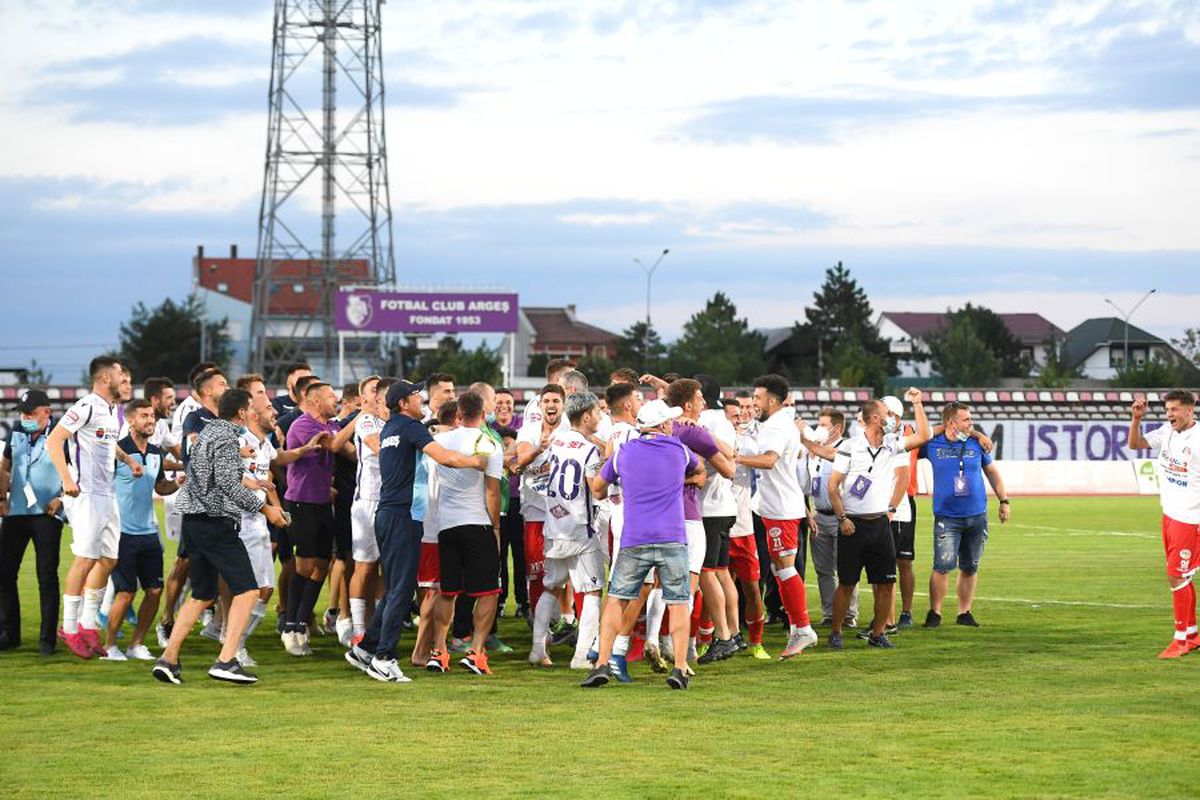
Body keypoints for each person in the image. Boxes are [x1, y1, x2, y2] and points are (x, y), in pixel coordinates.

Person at [343, 380, 489, 684]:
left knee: (396, 586)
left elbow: (433, 435)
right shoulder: (409, 427)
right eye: (414, 395)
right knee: (401, 589)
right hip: (403, 515)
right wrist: (476, 462)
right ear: (402, 403)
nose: (420, 397)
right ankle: (384, 657)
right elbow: (444, 457)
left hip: (387, 513)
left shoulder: (391, 428)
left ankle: (367, 647)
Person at [152, 388, 290, 685]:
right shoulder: (228, 437)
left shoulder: (209, 432)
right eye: (250, 407)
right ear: (241, 413)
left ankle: (168, 658)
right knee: (249, 590)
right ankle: (227, 659)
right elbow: (228, 484)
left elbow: (214, 473)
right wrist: (265, 509)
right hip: (215, 523)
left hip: (194, 522)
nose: (253, 412)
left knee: (202, 594)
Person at [583, 399, 703, 690]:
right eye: (670, 422)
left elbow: (598, 488)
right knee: (677, 602)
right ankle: (679, 667)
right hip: (672, 536)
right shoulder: (678, 450)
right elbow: (700, 472)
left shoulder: (624, 451)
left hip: (634, 536)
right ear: (662, 425)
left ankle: (602, 663)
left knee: (616, 599)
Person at [46, 356, 144, 659]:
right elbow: (55, 440)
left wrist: (127, 459)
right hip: (85, 493)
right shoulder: (86, 405)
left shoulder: (111, 410)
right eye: (122, 378)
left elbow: (106, 442)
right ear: (104, 379)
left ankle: (88, 624)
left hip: (107, 493)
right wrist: (66, 479)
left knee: (108, 560)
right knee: (85, 559)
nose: (126, 383)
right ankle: (70, 628)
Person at [826, 391, 929, 649]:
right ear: (875, 418)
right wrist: (842, 518)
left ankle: (878, 633)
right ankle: (836, 632)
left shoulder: (892, 443)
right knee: (847, 584)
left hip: (880, 524)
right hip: (853, 525)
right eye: (887, 415)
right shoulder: (850, 446)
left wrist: (917, 403)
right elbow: (833, 486)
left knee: (885, 582)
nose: (893, 419)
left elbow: (924, 436)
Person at [734, 374, 818, 659]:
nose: (754, 403)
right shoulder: (775, 423)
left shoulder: (778, 427)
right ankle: (798, 626)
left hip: (781, 507)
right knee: (779, 569)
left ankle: (803, 627)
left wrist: (736, 459)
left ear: (771, 400)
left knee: (784, 567)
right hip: (773, 505)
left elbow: (769, 460)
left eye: (757, 398)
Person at [425, 391, 504, 676]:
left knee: (447, 592)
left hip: (446, 525)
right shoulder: (490, 444)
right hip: (476, 522)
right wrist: (495, 527)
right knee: (488, 591)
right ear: (483, 415)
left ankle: (439, 651)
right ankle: (476, 652)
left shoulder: (439, 441)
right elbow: (492, 493)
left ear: (458, 414)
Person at [920, 401, 1010, 629]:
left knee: (970, 566)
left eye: (971, 419)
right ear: (951, 422)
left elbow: (992, 473)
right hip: (947, 516)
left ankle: (964, 612)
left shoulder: (976, 443)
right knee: (942, 565)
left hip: (977, 514)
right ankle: (935, 612)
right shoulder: (932, 444)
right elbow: (915, 438)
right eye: (966, 419)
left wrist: (1004, 500)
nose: (971, 423)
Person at [533, 392, 606, 670]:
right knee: (592, 591)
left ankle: (537, 649)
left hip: (554, 526)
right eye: (597, 412)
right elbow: (596, 490)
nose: (599, 416)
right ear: (586, 416)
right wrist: (608, 465)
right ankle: (581, 656)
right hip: (579, 528)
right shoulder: (588, 450)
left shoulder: (557, 441)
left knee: (551, 586)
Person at [104, 399, 181, 661]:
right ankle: (110, 646)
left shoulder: (157, 453)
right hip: (122, 534)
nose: (151, 420)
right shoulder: (117, 451)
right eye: (145, 416)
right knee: (126, 593)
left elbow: (160, 488)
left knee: (155, 591)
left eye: (153, 417)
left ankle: (136, 644)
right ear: (130, 420)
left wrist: (179, 483)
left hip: (149, 533)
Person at [1127, 390, 1200, 658]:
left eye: (1175, 410)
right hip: (1169, 514)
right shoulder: (1166, 432)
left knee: (1176, 575)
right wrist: (1136, 419)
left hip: (1190, 519)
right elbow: (1135, 444)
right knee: (1182, 576)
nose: (1169, 414)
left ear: (1189, 411)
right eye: (1167, 409)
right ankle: (1191, 634)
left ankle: (1180, 640)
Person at [280, 380, 347, 655]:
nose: (337, 400)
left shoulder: (334, 425)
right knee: (304, 566)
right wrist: (362, 417)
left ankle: (300, 623)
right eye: (332, 396)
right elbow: (333, 447)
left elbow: (342, 448)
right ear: (316, 401)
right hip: (302, 502)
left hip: (322, 503)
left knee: (321, 565)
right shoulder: (304, 425)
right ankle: (290, 625)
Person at [0, 389, 64, 654]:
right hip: (15, 512)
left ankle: (47, 639)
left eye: (30, 413)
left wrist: (62, 498)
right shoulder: (16, 432)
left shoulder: (62, 434)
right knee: (4, 573)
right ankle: (8, 633)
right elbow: (4, 466)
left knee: (46, 576)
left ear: (46, 412)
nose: (25, 418)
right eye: (23, 413)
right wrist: (0, 498)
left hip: (47, 515)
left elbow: (79, 470)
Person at [514, 384, 568, 645]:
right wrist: (539, 449)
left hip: (566, 514)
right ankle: (541, 633)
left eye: (556, 400)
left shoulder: (571, 431)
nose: (551, 405)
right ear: (540, 406)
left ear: (563, 404)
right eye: (546, 400)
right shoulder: (528, 431)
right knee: (537, 574)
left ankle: (567, 623)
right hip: (535, 512)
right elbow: (520, 459)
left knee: (569, 572)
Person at [799, 408, 857, 627]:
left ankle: (849, 615)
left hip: (842, 515)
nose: (819, 429)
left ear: (838, 428)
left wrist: (804, 440)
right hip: (819, 515)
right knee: (823, 570)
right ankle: (828, 614)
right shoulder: (816, 454)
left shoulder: (847, 448)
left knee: (846, 568)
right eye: (819, 424)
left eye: (824, 425)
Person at [493, 387, 527, 618]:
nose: (504, 406)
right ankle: (502, 599)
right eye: (499, 402)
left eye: (508, 402)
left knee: (521, 553)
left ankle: (524, 601)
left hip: (520, 500)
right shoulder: (486, 428)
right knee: (499, 554)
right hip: (497, 500)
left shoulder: (524, 425)